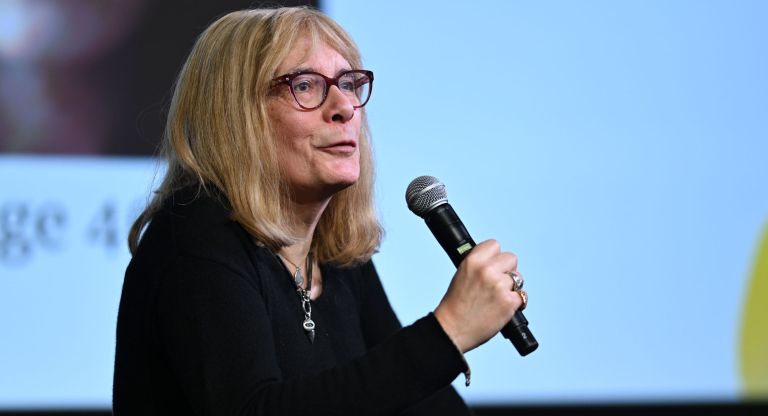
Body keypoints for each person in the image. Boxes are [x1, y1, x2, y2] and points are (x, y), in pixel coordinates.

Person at [113, 7, 528, 415]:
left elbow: (417, 403)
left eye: (349, 84)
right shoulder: (195, 239)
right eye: (307, 86)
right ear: (236, 115)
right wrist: (449, 331)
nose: (344, 107)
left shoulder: (334, 256)